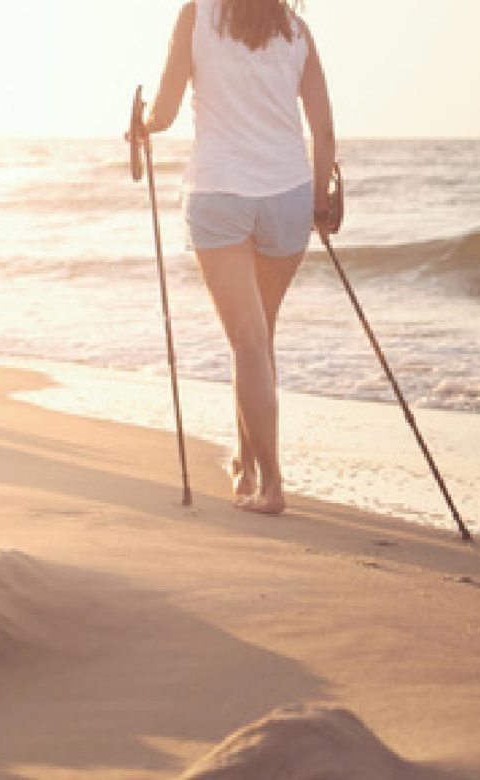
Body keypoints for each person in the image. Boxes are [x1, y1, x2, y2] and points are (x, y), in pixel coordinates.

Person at [142, 0, 336, 515]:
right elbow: (324, 132)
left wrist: (140, 121)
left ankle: (271, 485)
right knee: (256, 338)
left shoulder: (196, 16)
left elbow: (162, 112)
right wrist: (320, 199)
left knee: (248, 339)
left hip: (219, 193)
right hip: (288, 196)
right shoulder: (297, 30)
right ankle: (244, 466)